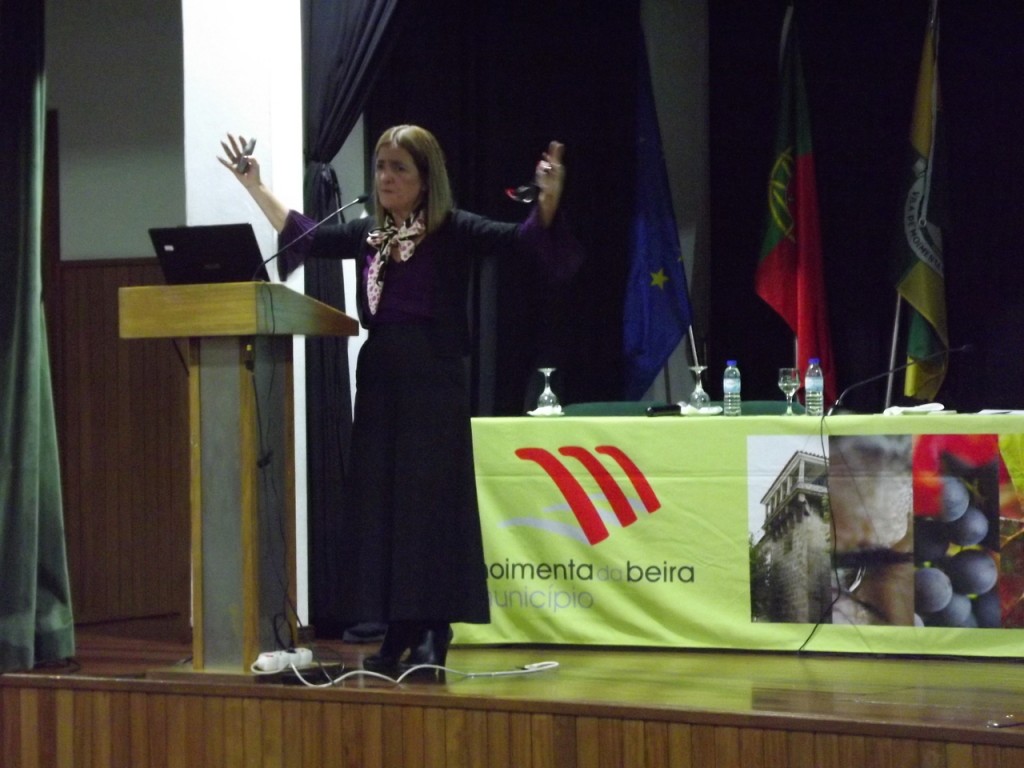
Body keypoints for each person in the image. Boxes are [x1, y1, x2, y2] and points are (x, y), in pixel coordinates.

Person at [219, 125, 583, 679]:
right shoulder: (369, 234)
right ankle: (399, 627)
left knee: (429, 507)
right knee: (383, 506)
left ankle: (435, 628)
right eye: (381, 167)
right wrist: (255, 185)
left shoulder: (452, 228)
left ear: (425, 178)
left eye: (399, 168)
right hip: (381, 379)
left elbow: (524, 241)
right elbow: (306, 237)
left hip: (433, 382)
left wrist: (549, 199)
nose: (385, 177)